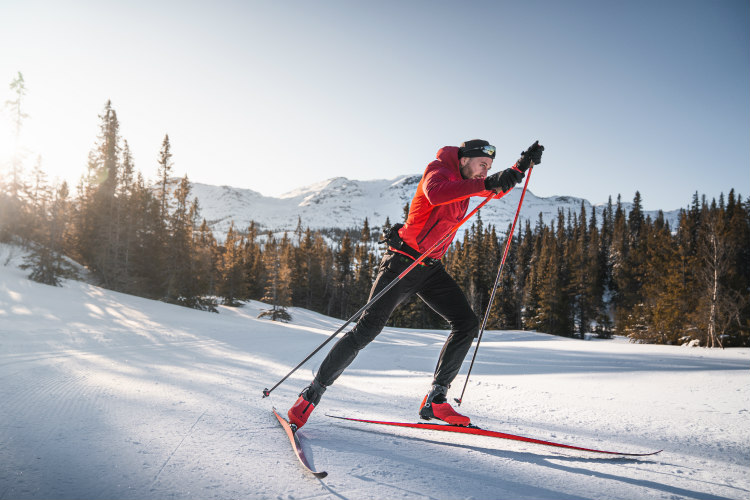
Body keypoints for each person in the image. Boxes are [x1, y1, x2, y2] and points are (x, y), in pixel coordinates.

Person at [288, 139, 544, 428]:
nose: (484, 173)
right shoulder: (438, 171)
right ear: (463, 159)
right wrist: (489, 182)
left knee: (466, 323)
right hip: (402, 263)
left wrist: (520, 166)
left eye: (489, 168)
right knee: (365, 331)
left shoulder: (470, 181)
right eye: (482, 165)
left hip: (430, 269)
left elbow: (493, 190)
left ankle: (436, 399)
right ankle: (311, 394)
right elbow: (436, 195)